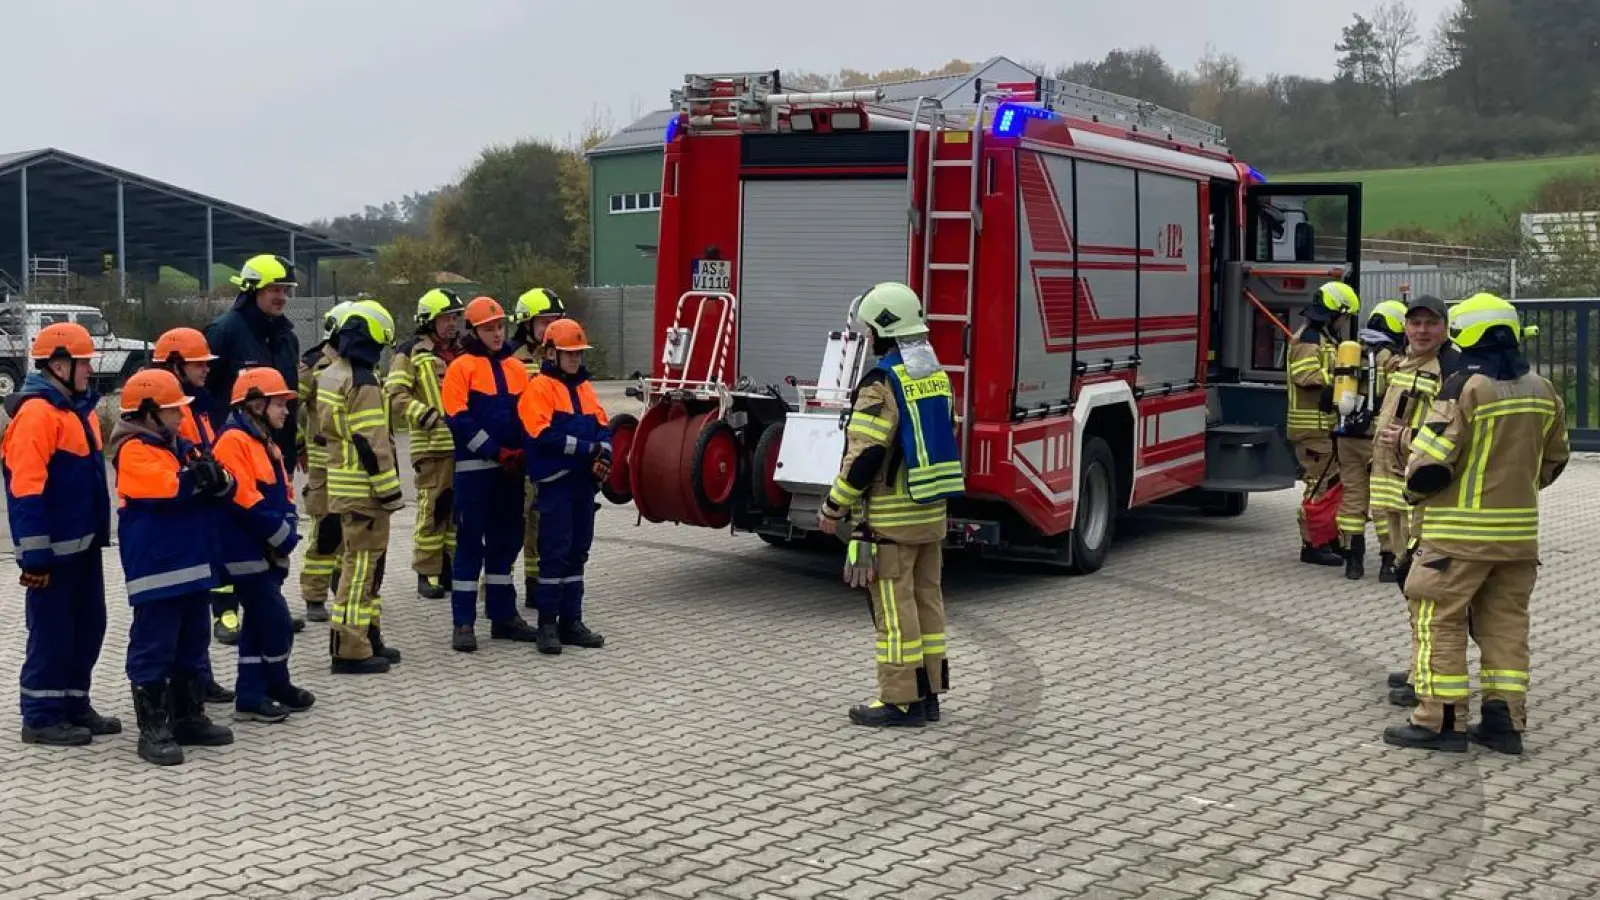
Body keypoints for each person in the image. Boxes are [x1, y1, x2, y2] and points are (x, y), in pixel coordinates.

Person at [1383, 293, 1569, 755]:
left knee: (1437, 621)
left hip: (1456, 541)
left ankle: (1440, 722)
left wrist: (1414, 494)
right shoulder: (1543, 390)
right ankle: (1505, 723)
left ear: (1465, 333)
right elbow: (1555, 461)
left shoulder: (1463, 387)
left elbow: (1428, 466)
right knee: (1505, 626)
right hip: (1518, 540)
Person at [817, 282, 963, 728]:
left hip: (892, 521)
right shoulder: (935, 376)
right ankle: (930, 693)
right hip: (930, 514)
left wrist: (832, 508)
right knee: (928, 606)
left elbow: (866, 456)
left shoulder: (882, 383)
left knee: (896, 616)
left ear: (882, 331)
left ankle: (900, 702)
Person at [108, 369, 235, 765]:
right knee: (154, 646)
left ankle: (188, 715)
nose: (182, 418)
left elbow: (224, 483)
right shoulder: (132, 448)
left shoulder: (174, 445)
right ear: (149, 413)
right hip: (158, 568)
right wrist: (202, 478)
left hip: (192, 564)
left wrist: (209, 477)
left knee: (193, 642)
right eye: (173, 411)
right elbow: (172, 488)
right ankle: (154, 727)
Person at [1, 323, 117, 746]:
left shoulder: (76, 409)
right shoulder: (37, 415)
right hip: (51, 553)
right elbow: (25, 490)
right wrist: (34, 555)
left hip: (82, 546)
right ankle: (41, 715)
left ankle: (73, 702)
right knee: (51, 632)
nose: (90, 369)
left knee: (88, 626)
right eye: (84, 362)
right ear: (58, 364)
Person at [204, 253, 302, 644]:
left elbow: (290, 399)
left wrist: (297, 445)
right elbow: (205, 394)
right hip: (233, 452)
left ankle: (267, 605)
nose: (281, 297)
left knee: (270, 531)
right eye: (275, 289)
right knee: (232, 534)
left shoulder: (287, 336)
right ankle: (225, 612)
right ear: (251, 291)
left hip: (275, 452)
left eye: (285, 290)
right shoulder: (224, 332)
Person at [212, 368, 317, 722]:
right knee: (274, 622)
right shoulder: (233, 441)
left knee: (258, 623)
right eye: (280, 404)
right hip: (245, 550)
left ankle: (266, 687)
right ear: (255, 404)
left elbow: (283, 492)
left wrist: (287, 526)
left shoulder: (263, 439)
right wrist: (280, 536)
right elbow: (244, 499)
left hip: (266, 548)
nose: (287, 411)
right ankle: (259, 691)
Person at [1371, 294, 1458, 707]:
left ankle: (1423, 676)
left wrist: (1404, 439)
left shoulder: (1445, 371)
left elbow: (1447, 434)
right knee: (1410, 588)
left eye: (1430, 324)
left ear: (1445, 327)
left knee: (1420, 590)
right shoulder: (1406, 365)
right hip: (1395, 493)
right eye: (1415, 323)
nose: (1422, 331)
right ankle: (1416, 667)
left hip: (1419, 497)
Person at [148, 326, 243, 703]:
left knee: (195, 607)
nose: (206, 370)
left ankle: (199, 678)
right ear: (174, 364)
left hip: (201, 514)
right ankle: (183, 686)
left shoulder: (193, 403)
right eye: (198, 363)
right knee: (176, 614)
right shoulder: (165, 408)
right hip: (181, 519)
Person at [442, 297, 539, 651]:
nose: (497, 334)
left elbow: (529, 415)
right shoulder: (460, 368)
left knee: (506, 544)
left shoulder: (517, 368)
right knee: (469, 545)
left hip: (509, 473)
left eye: (500, 327)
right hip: (475, 474)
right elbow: (458, 418)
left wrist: (524, 452)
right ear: (474, 330)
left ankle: (503, 617)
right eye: (489, 328)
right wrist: (495, 450)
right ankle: (463, 623)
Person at [316, 300, 405, 674]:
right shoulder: (364, 382)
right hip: (366, 493)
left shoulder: (333, 373)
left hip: (342, 486)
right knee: (360, 573)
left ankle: (368, 636)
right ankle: (351, 648)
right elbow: (373, 443)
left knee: (359, 568)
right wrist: (390, 492)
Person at [517, 318, 610, 655]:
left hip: (582, 486)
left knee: (577, 553)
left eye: (579, 354)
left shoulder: (583, 388)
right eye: (570, 354)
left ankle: (571, 620)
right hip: (555, 485)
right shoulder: (539, 387)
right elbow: (542, 436)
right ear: (552, 353)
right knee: (554, 555)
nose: (575, 360)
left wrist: (607, 451)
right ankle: (547, 625)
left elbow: (602, 426)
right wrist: (589, 450)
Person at [385, 289, 464, 600]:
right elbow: (395, 395)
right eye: (446, 317)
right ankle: (427, 572)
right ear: (429, 321)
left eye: (456, 317)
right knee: (433, 509)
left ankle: (451, 569)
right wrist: (426, 415)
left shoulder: (462, 352)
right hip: (431, 447)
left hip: (462, 447)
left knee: (457, 513)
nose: (453, 324)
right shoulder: (410, 353)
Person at [1287, 281, 1360, 567]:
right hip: (1311, 428)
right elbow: (1306, 377)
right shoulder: (1310, 340)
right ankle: (1312, 545)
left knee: (1329, 484)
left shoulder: (1322, 339)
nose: (1344, 322)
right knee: (1317, 485)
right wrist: (1343, 379)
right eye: (1344, 316)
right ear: (1334, 313)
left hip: (1323, 426)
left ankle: (1327, 539)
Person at [1332, 299, 1404, 580]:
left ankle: (1353, 561)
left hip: (1346, 435)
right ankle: (1388, 563)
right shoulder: (1390, 357)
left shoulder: (1351, 351)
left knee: (1352, 497)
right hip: (1377, 437)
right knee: (1384, 499)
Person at [297, 301, 354, 623]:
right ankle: (314, 595)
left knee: (352, 527)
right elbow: (290, 404)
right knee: (325, 528)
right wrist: (297, 445)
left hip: (349, 462)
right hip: (322, 463)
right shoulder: (313, 364)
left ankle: (341, 587)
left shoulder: (357, 364)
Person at [510, 287, 567, 604]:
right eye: (544, 321)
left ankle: (535, 584)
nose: (550, 327)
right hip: (518, 454)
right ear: (526, 323)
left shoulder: (559, 360)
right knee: (513, 522)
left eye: (555, 320)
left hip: (547, 454)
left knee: (541, 522)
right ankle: (495, 581)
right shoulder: (511, 359)